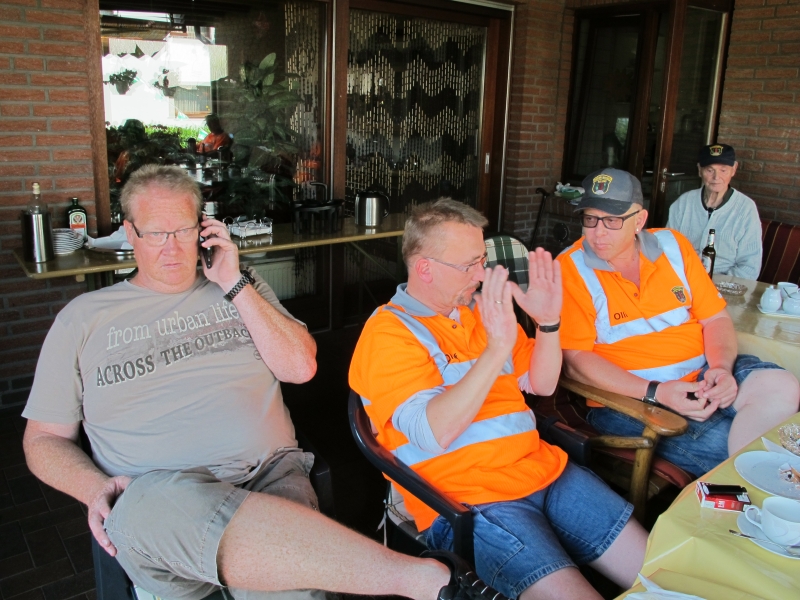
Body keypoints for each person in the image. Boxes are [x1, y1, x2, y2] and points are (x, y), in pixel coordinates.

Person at [22, 166, 507, 600]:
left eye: (184, 230)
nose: (171, 246)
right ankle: (423, 581)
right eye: (155, 233)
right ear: (129, 232)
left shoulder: (242, 284)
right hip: (155, 504)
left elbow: (300, 367)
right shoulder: (83, 318)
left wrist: (234, 285)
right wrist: (96, 489)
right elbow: (43, 439)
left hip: (267, 478)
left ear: (204, 227)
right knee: (152, 502)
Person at [350, 199, 648, 600]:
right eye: (468, 265)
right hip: (471, 501)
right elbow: (433, 432)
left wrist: (548, 322)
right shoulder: (389, 334)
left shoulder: (480, 312)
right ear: (425, 269)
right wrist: (496, 349)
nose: (481, 274)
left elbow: (542, 383)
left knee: (663, 572)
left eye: (482, 260)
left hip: (545, 471)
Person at [559, 168, 799, 477]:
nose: (598, 232)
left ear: (639, 220)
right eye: (590, 219)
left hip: (703, 372)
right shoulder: (570, 268)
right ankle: (756, 488)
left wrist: (721, 369)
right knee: (742, 447)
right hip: (632, 396)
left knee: (781, 386)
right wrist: (657, 392)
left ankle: (762, 482)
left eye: (612, 220)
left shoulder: (672, 246)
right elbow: (575, 361)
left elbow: (715, 317)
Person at [666, 143, 762, 279]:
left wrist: (717, 285)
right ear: (700, 170)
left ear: (734, 169)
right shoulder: (683, 203)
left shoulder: (745, 209)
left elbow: (750, 267)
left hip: (724, 283)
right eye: (710, 170)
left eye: (723, 170)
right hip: (683, 279)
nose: (716, 177)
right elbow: (667, 248)